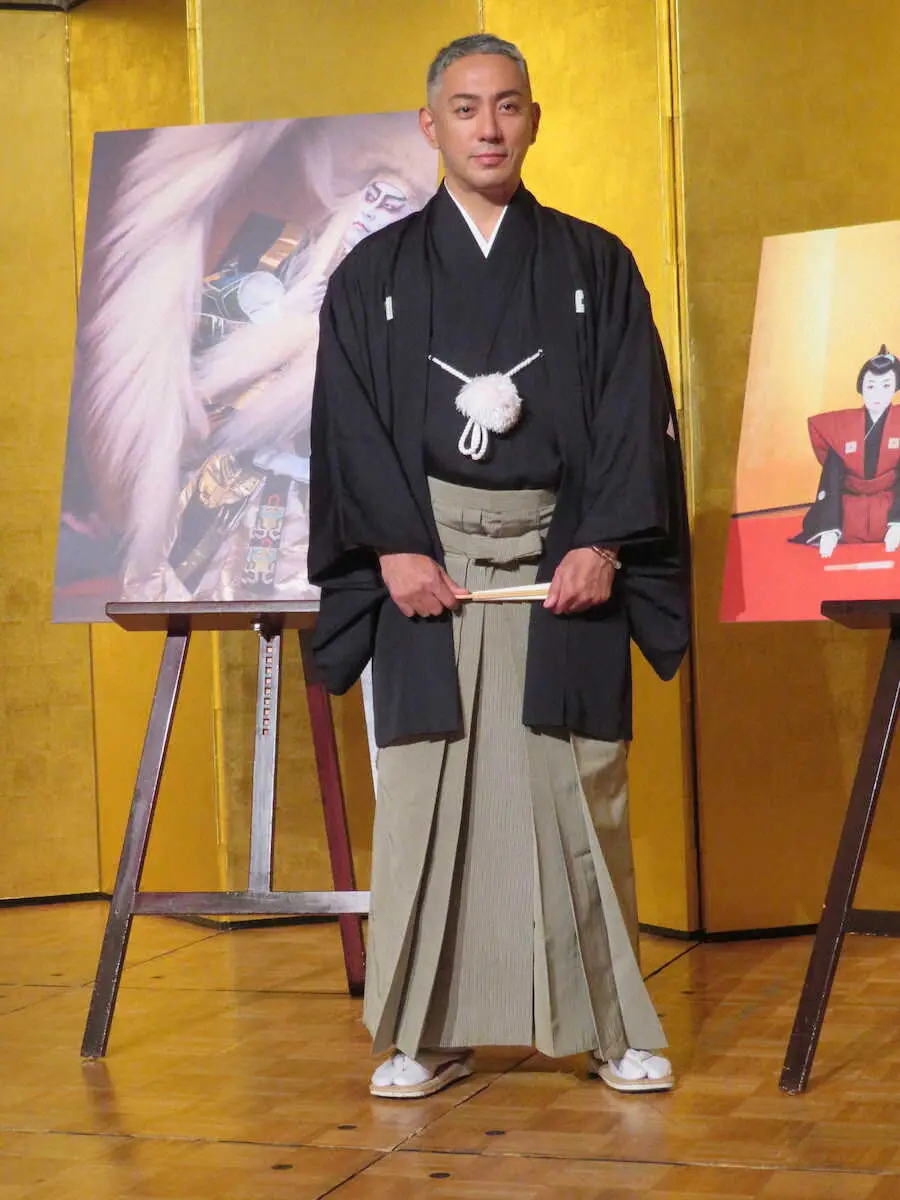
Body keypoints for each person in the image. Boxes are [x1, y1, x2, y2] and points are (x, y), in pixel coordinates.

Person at [308, 33, 690, 1099]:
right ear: (429, 125)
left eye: (508, 105)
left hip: (564, 560)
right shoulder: (374, 276)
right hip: (422, 568)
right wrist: (393, 547)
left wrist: (601, 542)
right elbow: (346, 427)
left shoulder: (594, 264)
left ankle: (608, 1025)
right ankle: (427, 1033)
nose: (489, 127)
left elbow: (634, 415)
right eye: (466, 108)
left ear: (534, 118)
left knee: (578, 789)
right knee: (427, 799)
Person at [795, 346, 900, 557]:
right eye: (870, 386)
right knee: (833, 522)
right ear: (861, 388)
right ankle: (832, 530)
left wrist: (897, 522)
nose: (877, 393)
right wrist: (829, 529)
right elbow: (831, 480)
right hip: (849, 507)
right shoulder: (841, 426)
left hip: (889, 503)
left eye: (886, 385)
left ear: (895, 388)